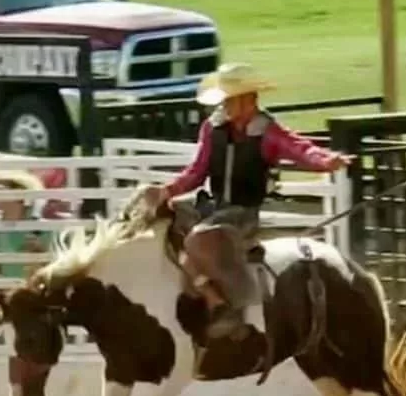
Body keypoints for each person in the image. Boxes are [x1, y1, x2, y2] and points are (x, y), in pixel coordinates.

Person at [151, 62, 353, 340]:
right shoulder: (213, 129)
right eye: (224, 99)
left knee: (199, 238)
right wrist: (168, 191)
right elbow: (197, 172)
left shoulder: (268, 131)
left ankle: (228, 305)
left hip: (242, 213)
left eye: (230, 98)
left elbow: (299, 149)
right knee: (168, 219)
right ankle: (200, 295)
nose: (225, 105)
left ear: (249, 100)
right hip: (213, 206)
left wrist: (325, 160)